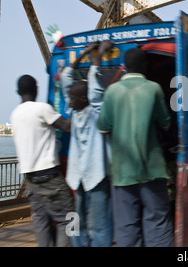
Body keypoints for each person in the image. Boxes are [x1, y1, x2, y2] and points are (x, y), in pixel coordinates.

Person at [97, 47, 173, 247]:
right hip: (152, 169)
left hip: (122, 171)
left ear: (126, 66)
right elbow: (165, 122)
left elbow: (103, 126)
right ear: (144, 65)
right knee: (158, 220)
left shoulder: (112, 91)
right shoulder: (154, 88)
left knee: (126, 225)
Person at [10, 74, 74, 247]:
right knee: (70, 218)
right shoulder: (42, 109)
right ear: (36, 89)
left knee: (41, 221)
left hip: (30, 179)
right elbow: (66, 127)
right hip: (50, 176)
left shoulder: (15, 114)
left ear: (18, 92)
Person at [60, 40, 113, 247]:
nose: (69, 101)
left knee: (92, 224)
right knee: (83, 222)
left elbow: (93, 83)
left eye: (72, 98)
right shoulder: (79, 109)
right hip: (87, 176)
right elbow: (66, 79)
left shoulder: (95, 111)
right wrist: (88, 52)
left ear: (83, 98)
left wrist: (97, 53)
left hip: (86, 176)